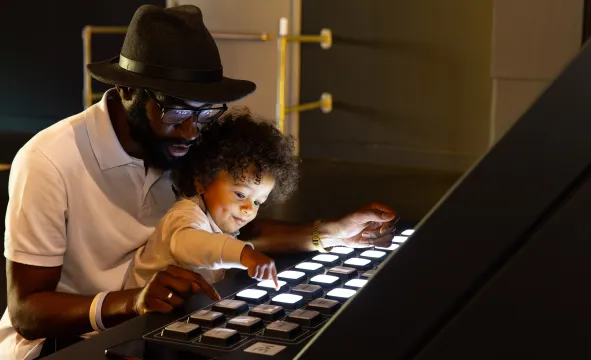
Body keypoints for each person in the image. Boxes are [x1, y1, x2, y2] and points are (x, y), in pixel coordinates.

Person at [0, 4, 398, 360]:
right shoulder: (49, 160)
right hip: (66, 343)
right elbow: (29, 312)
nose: (192, 131)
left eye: (208, 113)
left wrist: (329, 234)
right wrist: (133, 301)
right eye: (176, 110)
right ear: (126, 90)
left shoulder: (182, 143)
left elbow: (231, 229)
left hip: (151, 327)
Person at [125, 110, 299, 290]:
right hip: (141, 314)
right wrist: (243, 254)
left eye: (257, 202)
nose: (248, 209)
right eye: (240, 195)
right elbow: (188, 243)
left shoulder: (217, 221)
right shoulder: (185, 214)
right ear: (202, 181)